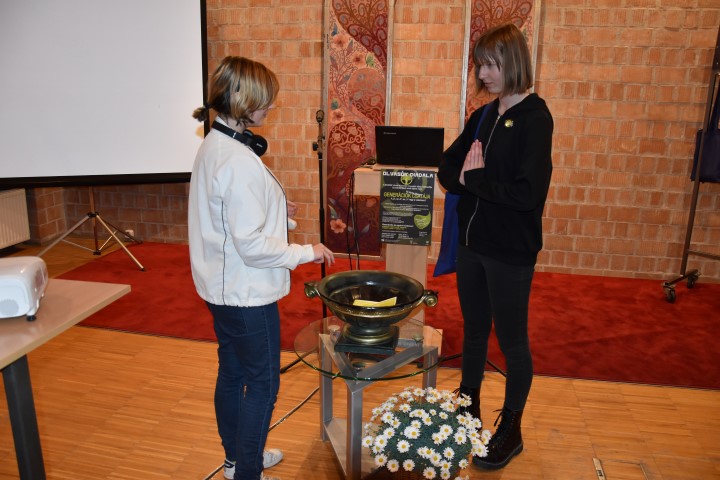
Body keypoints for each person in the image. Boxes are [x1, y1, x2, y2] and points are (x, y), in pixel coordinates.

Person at [188, 56, 335, 480]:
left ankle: (237, 460)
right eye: (265, 100)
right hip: (245, 293)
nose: (270, 107)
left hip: (222, 287)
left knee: (233, 373)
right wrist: (304, 252)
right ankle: (248, 471)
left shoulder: (214, 144)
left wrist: (277, 213)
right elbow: (251, 246)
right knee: (263, 382)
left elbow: (226, 217)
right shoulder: (236, 160)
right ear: (242, 99)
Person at [437, 23, 553, 470]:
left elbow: (528, 194)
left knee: (511, 340)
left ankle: (512, 429)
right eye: (479, 65)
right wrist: (469, 180)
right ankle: (468, 407)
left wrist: (476, 181)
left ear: (513, 62)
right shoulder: (483, 116)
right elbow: (448, 167)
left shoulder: (535, 119)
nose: (482, 74)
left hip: (509, 251)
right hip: (472, 245)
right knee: (473, 330)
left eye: (490, 65)